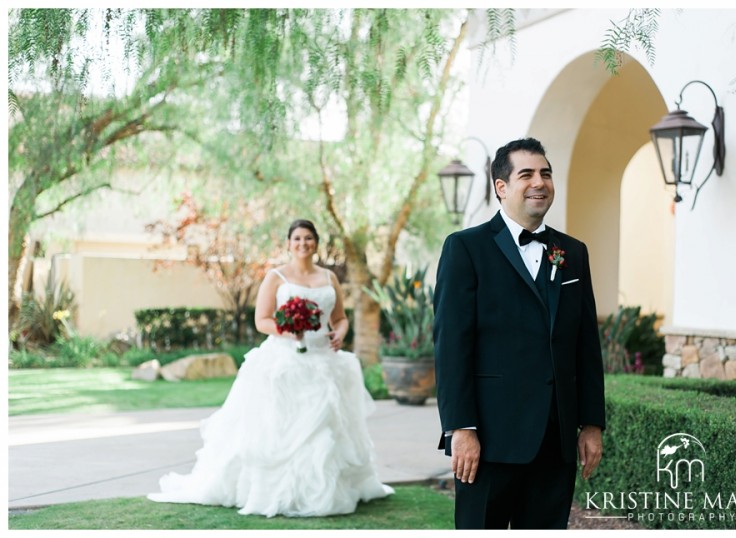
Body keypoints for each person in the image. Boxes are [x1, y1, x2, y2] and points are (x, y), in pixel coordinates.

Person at [148, 219, 394, 517]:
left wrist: (339, 333)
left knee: (325, 430)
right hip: (285, 359)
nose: (303, 244)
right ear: (289, 244)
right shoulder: (277, 277)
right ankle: (277, 490)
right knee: (279, 428)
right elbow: (262, 320)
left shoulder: (329, 277)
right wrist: (290, 332)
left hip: (325, 361)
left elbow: (340, 318)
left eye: (308, 238)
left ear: (316, 243)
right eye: (297, 239)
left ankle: (326, 490)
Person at [433, 137, 605, 529]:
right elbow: (452, 346)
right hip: (489, 440)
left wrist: (591, 423)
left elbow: (585, 344)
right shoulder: (465, 248)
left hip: (555, 440)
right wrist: (462, 428)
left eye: (545, 173)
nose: (539, 182)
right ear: (502, 187)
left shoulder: (572, 252)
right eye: (526, 174)